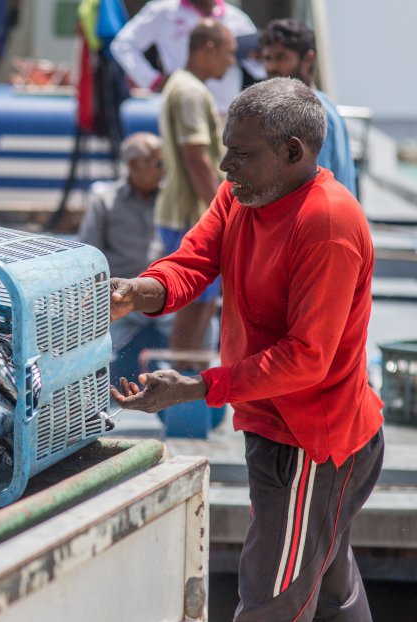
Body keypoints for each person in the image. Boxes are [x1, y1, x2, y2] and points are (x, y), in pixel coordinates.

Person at [109, 78, 384, 622]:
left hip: (312, 445)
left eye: (241, 152)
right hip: (279, 428)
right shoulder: (241, 192)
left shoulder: (327, 223)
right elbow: (194, 260)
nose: (224, 165)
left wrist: (196, 387)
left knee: (268, 613)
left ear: (293, 152)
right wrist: (142, 290)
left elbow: (307, 359)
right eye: (226, 148)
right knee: (330, 589)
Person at [156, 20, 236, 366]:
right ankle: (181, 404)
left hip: (183, 213)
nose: (231, 62)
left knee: (196, 311)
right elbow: (197, 158)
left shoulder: (182, 85)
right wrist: (224, 213)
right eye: (229, 53)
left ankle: (184, 396)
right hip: (191, 216)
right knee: (193, 312)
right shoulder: (190, 91)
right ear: (209, 48)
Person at [78, 131, 168, 379]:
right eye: (159, 163)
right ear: (133, 166)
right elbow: (88, 258)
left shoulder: (171, 200)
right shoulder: (105, 202)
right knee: (102, 361)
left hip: (167, 297)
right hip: (121, 303)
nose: (165, 171)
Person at [109, 0, 264, 114]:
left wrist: (258, 58)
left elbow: (258, 69)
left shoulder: (236, 18)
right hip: (182, 108)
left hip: (224, 110)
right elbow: (123, 45)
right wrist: (153, 80)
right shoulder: (164, 11)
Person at [260, 18, 358, 197]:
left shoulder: (313, 111)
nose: (271, 66)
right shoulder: (324, 105)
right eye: (267, 58)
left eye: (281, 57)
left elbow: (313, 187)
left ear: (308, 58)